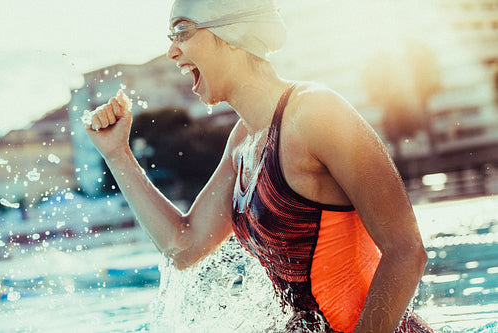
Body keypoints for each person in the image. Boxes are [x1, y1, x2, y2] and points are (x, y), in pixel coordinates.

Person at [85, 0, 433, 332]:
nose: (172, 50)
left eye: (183, 31)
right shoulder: (242, 141)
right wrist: (117, 153)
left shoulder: (316, 113)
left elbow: (406, 251)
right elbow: (184, 245)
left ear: (233, 33)